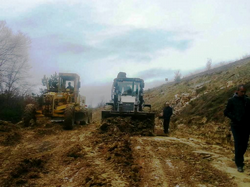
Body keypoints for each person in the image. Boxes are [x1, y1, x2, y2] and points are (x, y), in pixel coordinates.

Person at [224, 84, 250, 172]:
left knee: (245, 144)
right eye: (241, 91)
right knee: (238, 144)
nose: (243, 93)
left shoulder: (247, 100)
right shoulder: (231, 100)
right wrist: (235, 118)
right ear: (237, 91)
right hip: (236, 126)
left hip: (246, 125)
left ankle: (237, 157)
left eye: (244, 92)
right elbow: (226, 112)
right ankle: (239, 164)